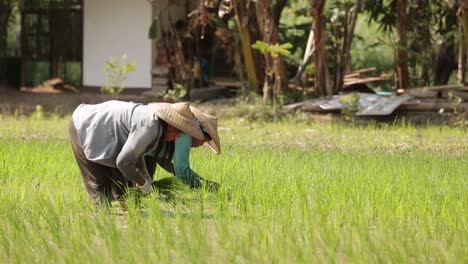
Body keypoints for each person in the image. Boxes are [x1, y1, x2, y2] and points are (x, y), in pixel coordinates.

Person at [69, 100, 204, 206]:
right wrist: (143, 183)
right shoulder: (149, 126)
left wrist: (146, 179)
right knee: (100, 188)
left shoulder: (158, 129)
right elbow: (124, 162)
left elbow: (137, 156)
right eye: (178, 133)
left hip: (108, 131)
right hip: (85, 123)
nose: (177, 137)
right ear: (171, 125)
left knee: (123, 188)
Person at [146, 105, 221, 191]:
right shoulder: (184, 135)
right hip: (137, 154)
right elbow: (182, 170)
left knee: (140, 191)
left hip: (141, 153)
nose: (202, 144)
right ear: (201, 132)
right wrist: (207, 186)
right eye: (205, 140)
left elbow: (163, 160)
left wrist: (203, 181)